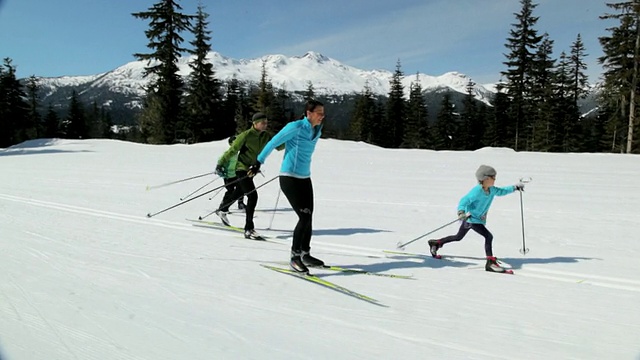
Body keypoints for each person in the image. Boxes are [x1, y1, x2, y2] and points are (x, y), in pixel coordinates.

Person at [254, 100, 325, 274]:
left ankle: (305, 254)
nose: (322, 116)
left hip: (304, 177)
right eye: (319, 113)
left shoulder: (318, 129)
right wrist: (258, 162)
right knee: (304, 216)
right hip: (289, 177)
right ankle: (294, 258)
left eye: (323, 113)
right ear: (308, 113)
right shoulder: (295, 126)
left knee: (309, 216)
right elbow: (272, 142)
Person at [427, 165, 525, 273]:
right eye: (493, 177)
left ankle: (436, 243)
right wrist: (461, 212)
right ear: (485, 178)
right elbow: (464, 200)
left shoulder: (491, 190)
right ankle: (490, 262)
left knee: (458, 237)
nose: (495, 179)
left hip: (473, 220)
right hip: (472, 219)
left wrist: (514, 188)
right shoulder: (477, 191)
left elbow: (501, 191)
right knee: (488, 236)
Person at [216, 112, 275, 239]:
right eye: (262, 123)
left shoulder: (266, 136)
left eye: (266, 122)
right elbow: (232, 150)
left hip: (252, 169)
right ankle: (249, 228)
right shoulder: (246, 135)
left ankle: (223, 209)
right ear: (255, 123)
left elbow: (279, 145)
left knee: (240, 191)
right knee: (252, 196)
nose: (265, 125)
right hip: (241, 168)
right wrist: (220, 163)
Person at [214, 135, 245, 226]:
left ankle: (240, 203)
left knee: (241, 189)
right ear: (231, 144)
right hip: (228, 176)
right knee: (230, 191)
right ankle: (222, 207)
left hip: (236, 175)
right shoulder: (228, 153)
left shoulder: (239, 153)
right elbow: (220, 162)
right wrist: (220, 170)